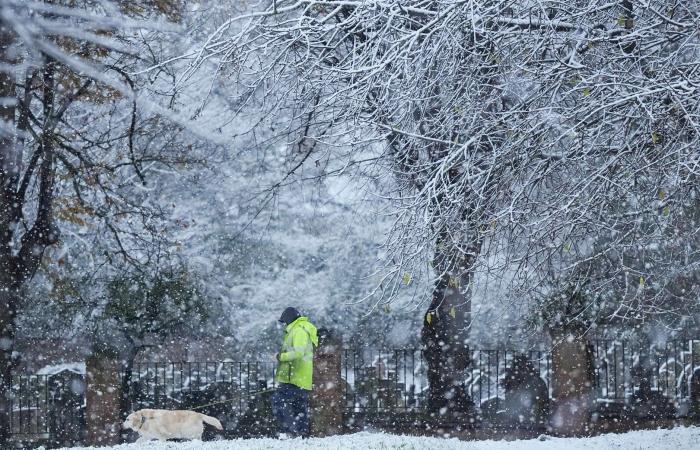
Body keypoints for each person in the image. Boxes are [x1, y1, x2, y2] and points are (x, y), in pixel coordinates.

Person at [272, 307, 318, 438]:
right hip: (301, 378)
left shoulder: (298, 330)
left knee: (278, 401)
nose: (284, 324)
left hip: (294, 377)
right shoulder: (300, 329)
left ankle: (287, 431)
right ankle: (302, 435)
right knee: (299, 408)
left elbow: (299, 352)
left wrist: (280, 356)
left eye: (284, 321)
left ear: (288, 319)